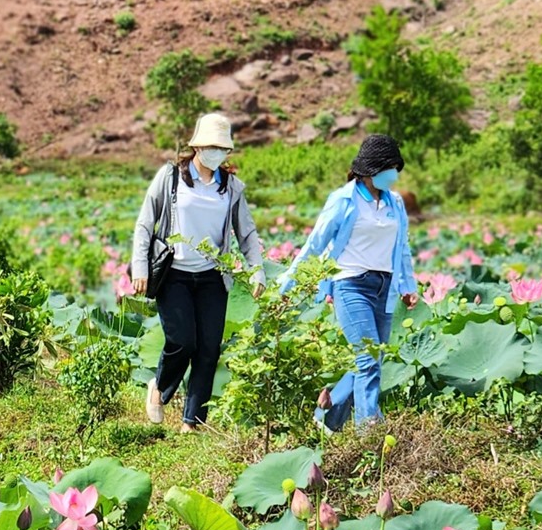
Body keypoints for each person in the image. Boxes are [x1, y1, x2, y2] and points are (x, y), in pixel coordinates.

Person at [128, 112, 263, 432]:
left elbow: (247, 233)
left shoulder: (231, 187)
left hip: (212, 276)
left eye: (223, 148)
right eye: (212, 146)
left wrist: (256, 270)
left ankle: (193, 421)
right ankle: (159, 388)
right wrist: (139, 266)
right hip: (173, 272)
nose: (217, 153)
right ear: (198, 147)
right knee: (182, 341)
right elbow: (145, 223)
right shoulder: (170, 177)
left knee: (208, 348)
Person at [283, 133, 419, 432]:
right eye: (389, 168)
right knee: (368, 359)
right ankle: (368, 431)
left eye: (396, 168)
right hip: (351, 284)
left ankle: (327, 411)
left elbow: (403, 247)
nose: (393, 174)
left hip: (385, 287)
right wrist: (288, 285)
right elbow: (315, 244)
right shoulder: (344, 200)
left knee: (372, 360)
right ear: (371, 169)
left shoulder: (395, 202)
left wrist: (409, 286)